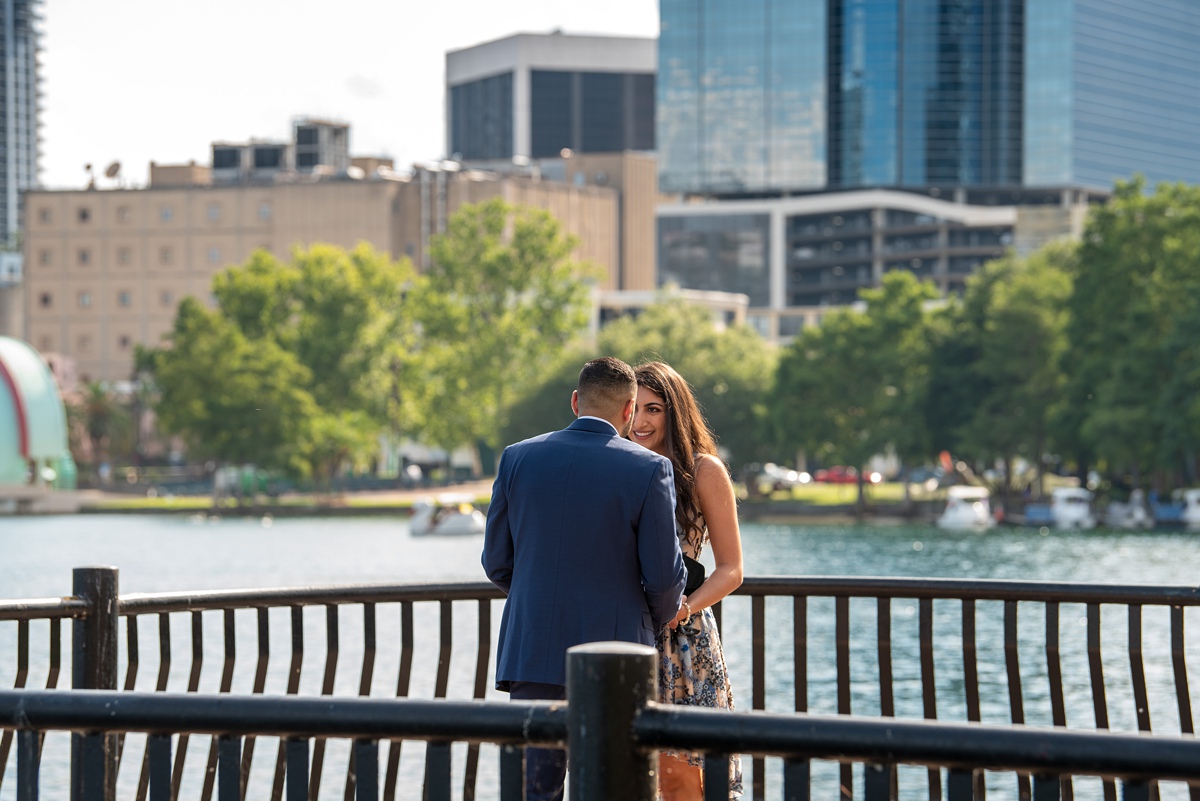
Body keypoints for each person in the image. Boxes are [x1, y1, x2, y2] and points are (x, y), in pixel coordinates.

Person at [482, 356, 687, 801]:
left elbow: (496, 562)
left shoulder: (517, 458)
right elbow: (666, 579)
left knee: (533, 790)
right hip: (618, 658)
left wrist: (539, 597)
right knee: (614, 788)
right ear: (629, 410)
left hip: (533, 647)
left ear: (576, 401)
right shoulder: (649, 469)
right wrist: (644, 618)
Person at [630, 361, 744, 800]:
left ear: (674, 412)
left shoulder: (704, 471)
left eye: (653, 409)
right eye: (633, 408)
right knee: (632, 775)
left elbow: (731, 569)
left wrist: (686, 607)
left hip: (682, 638)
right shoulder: (618, 465)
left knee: (684, 778)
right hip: (625, 635)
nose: (640, 421)